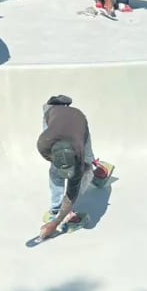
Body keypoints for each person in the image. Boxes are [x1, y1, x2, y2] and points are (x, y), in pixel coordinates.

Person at [36, 94, 111, 239]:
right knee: (54, 171)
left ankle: (96, 168)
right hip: (52, 115)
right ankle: (56, 207)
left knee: (87, 165)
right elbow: (55, 165)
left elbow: (71, 193)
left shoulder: (79, 153)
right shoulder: (43, 144)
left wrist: (56, 222)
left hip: (79, 120)